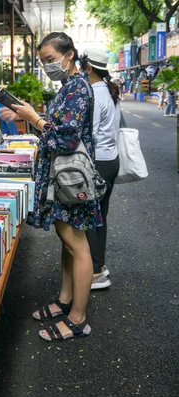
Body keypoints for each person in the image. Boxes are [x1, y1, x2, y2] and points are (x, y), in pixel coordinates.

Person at [1, 32, 102, 342]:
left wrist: (35, 120)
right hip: (62, 180)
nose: (47, 66)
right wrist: (30, 114)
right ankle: (65, 299)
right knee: (67, 240)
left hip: (70, 181)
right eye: (42, 61)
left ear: (68, 54)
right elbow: (61, 126)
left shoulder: (77, 89)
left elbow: (67, 138)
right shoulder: (69, 86)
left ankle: (78, 318)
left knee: (77, 244)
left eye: (49, 59)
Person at [81, 47, 121, 290]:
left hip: (98, 162)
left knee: (87, 216)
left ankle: (95, 272)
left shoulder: (94, 93)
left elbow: (90, 135)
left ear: (88, 68)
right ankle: (99, 266)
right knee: (99, 216)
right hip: (111, 161)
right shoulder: (109, 90)